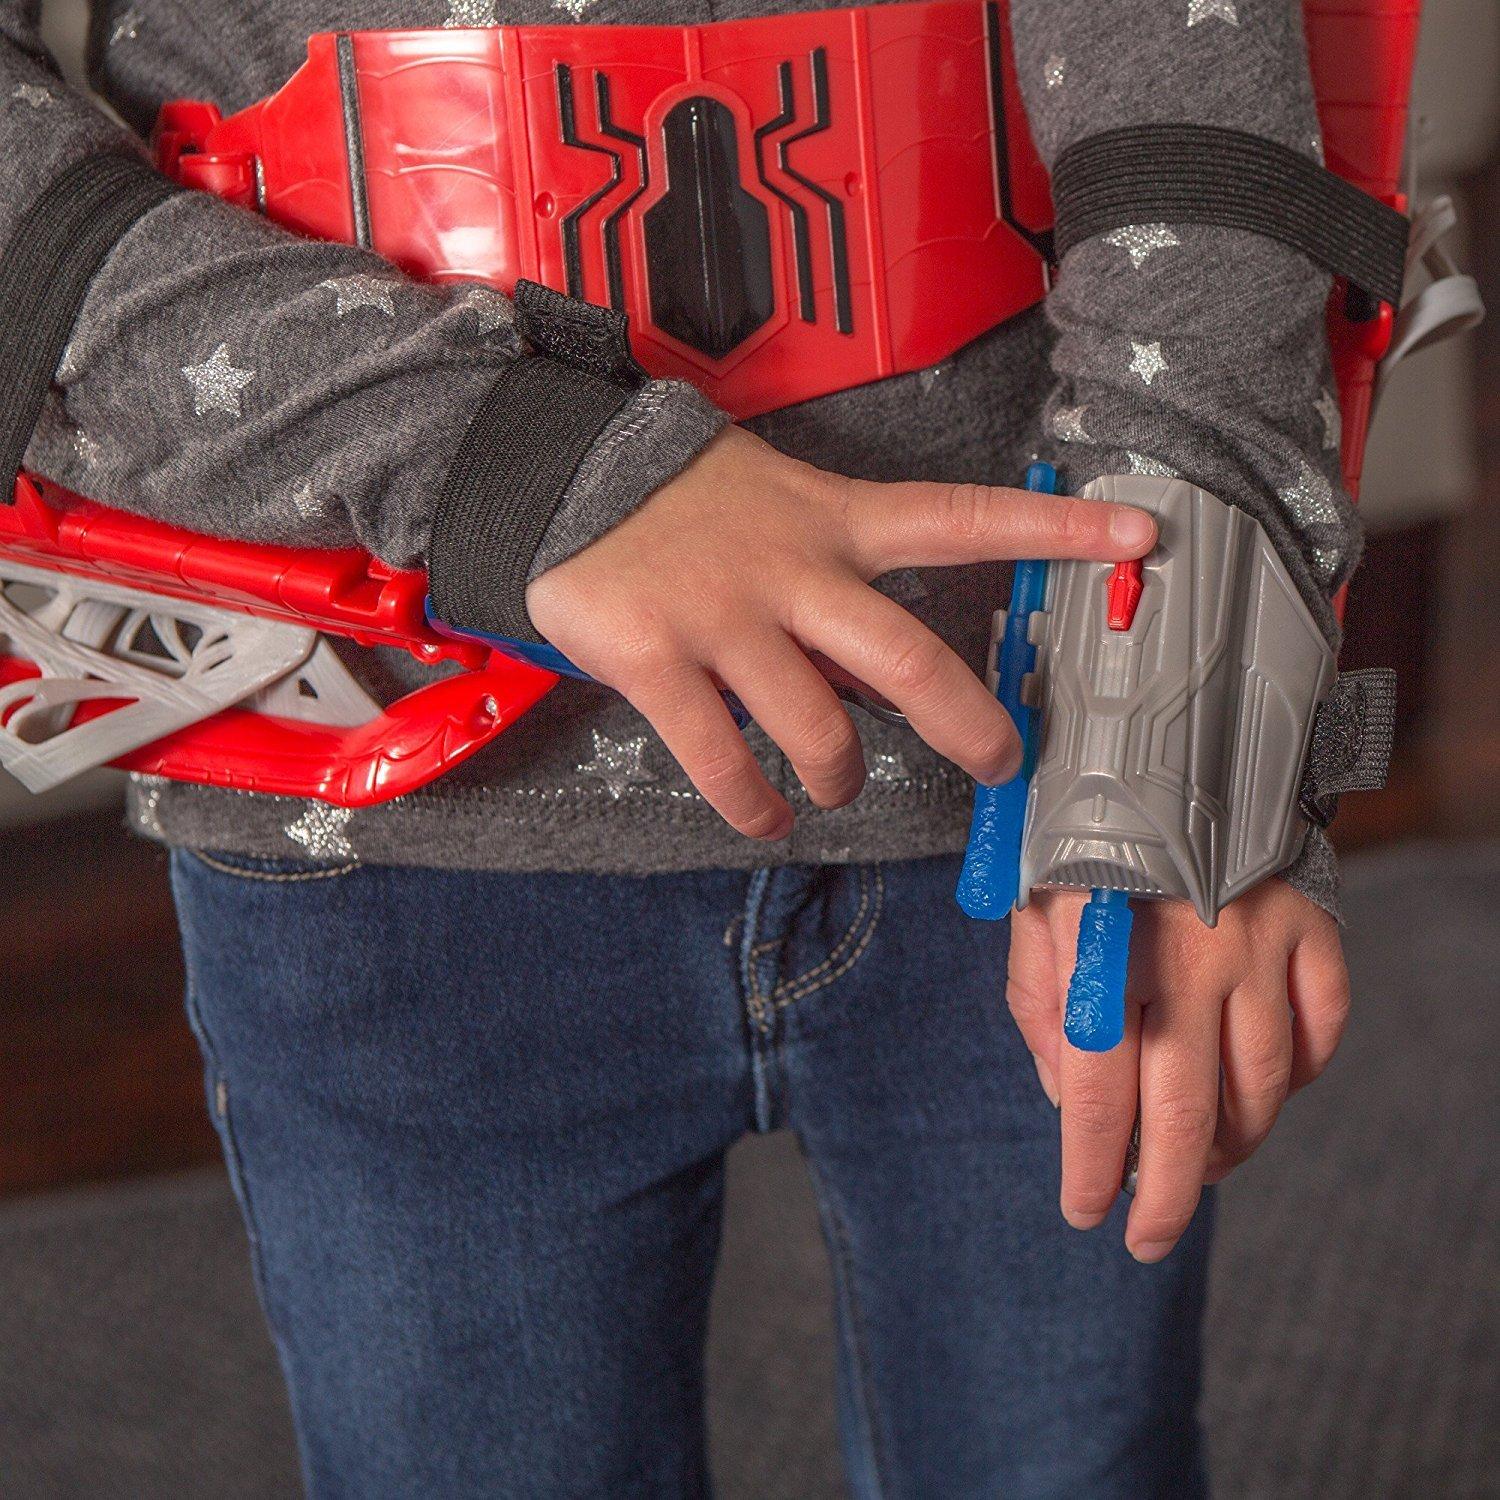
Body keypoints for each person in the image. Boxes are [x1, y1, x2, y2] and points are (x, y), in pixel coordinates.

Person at [4, 0, 1363, 1493]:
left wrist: (1176, 737)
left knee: (1076, 1464)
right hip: (378, 778)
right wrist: (520, 468)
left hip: (1039, 757)